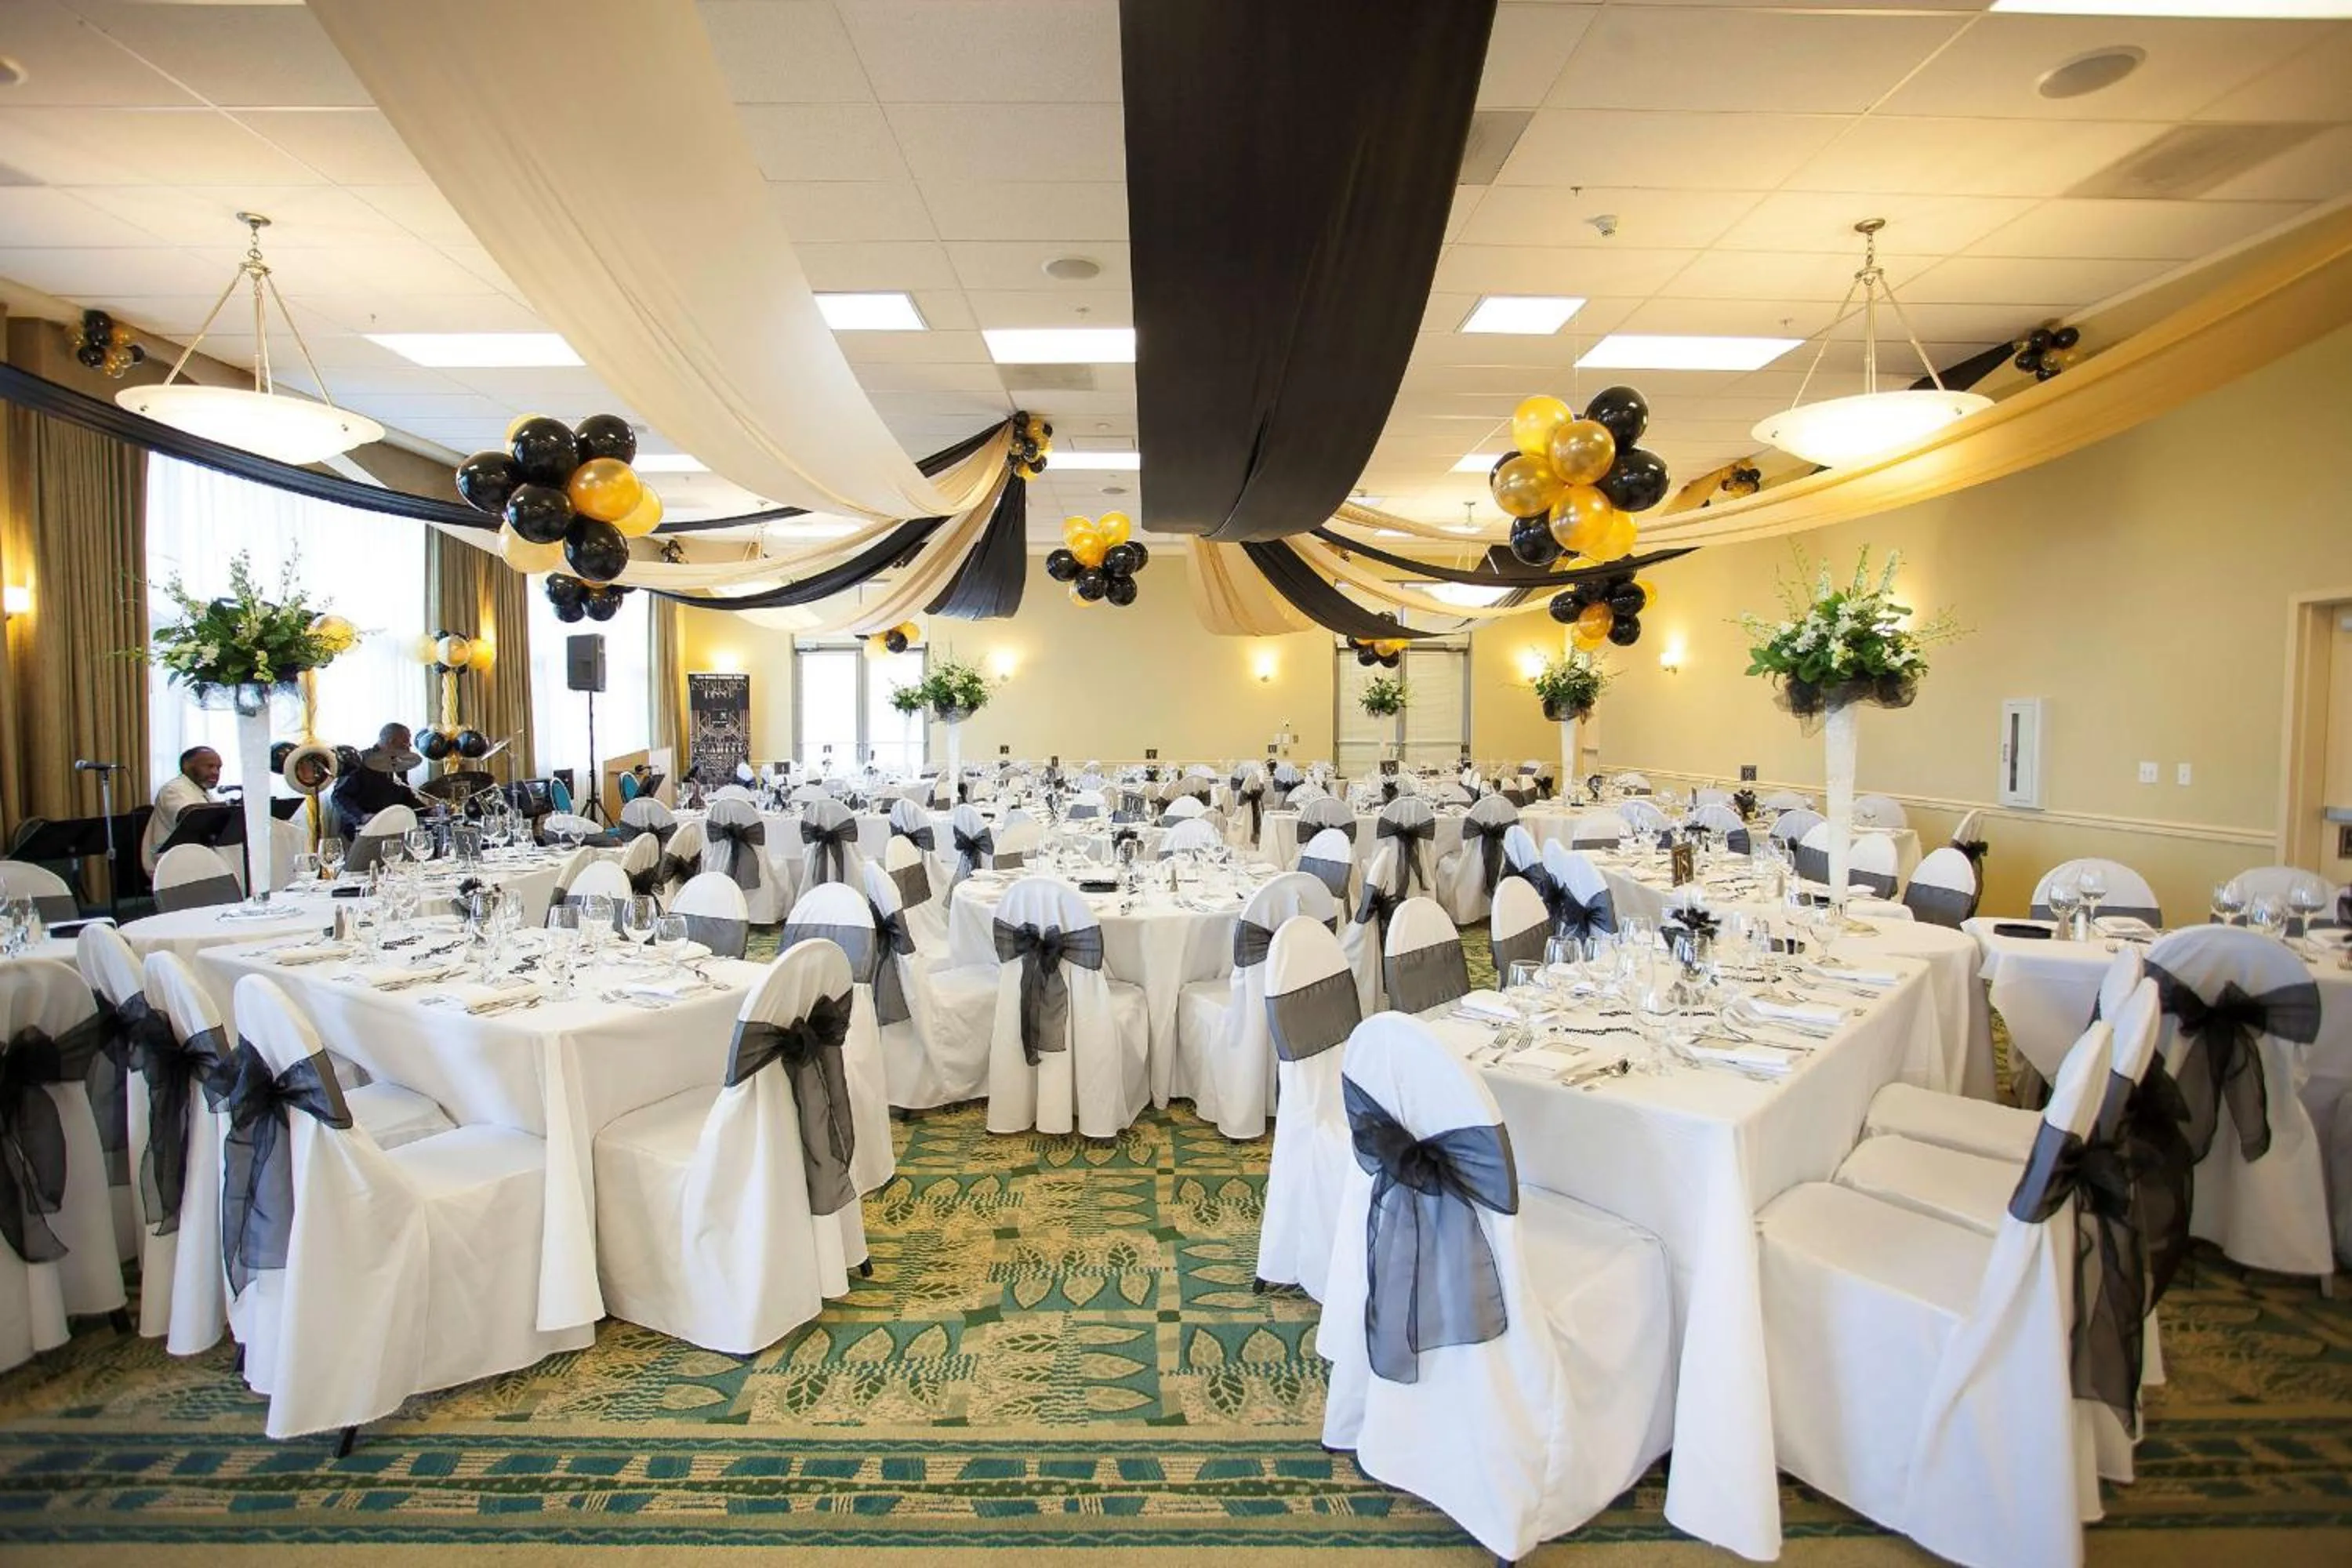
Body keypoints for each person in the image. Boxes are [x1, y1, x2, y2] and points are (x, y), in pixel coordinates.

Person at [329, 723, 429, 840]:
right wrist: (362, 816)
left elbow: (406, 797)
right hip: (362, 833)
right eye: (406, 742)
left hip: (392, 830)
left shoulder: (399, 762)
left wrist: (428, 811)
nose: (410, 746)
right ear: (391, 742)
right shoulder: (359, 762)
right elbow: (338, 796)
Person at [140, 745, 221, 871]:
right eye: (210, 766)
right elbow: (190, 815)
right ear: (187, 767)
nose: (216, 772)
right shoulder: (173, 789)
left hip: (198, 859)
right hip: (175, 865)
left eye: (218, 768)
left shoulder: (204, 793)